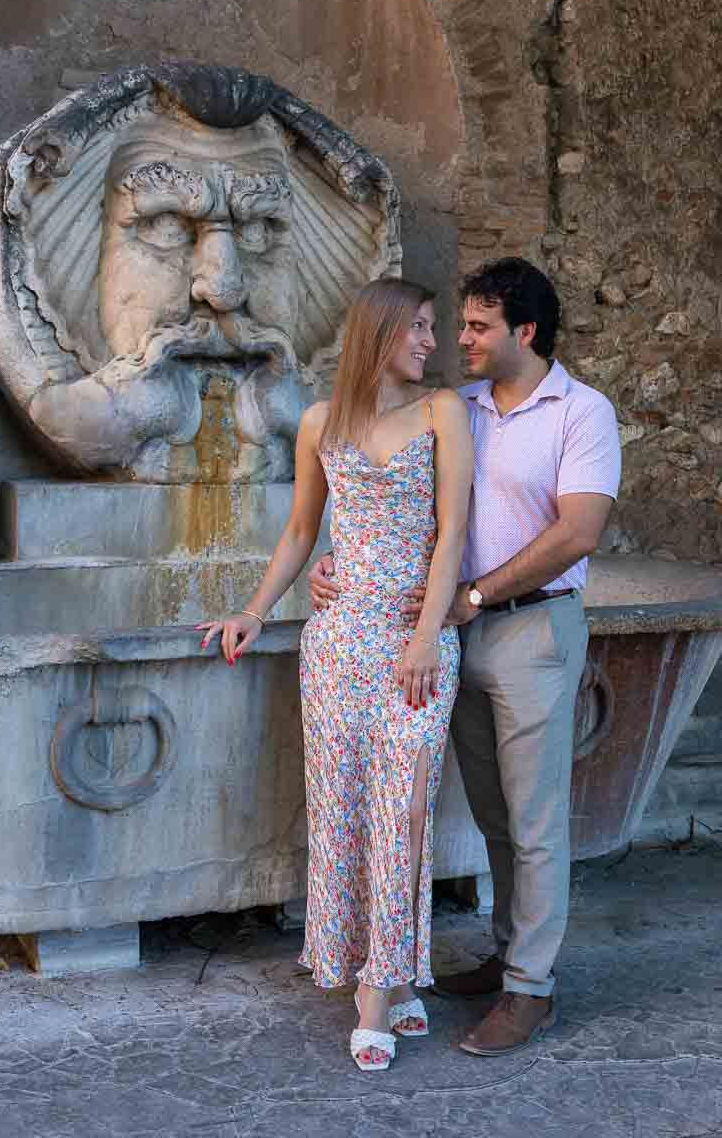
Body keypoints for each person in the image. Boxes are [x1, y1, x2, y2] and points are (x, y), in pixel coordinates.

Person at [309, 257, 622, 1057]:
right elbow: (405, 502)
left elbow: (578, 533)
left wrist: (474, 596)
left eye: (479, 326)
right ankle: (505, 953)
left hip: (528, 631)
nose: (461, 338)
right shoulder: (461, 407)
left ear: (524, 331)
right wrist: (338, 559)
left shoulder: (582, 414)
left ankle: (531, 990)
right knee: (492, 815)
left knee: (536, 820)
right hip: (451, 634)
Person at [198, 278, 473, 1071]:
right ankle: (380, 975)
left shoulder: (442, 414)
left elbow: (453, 529)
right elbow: (299, 530)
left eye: (432, 327)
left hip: (414, 644)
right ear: (380, 332)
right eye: (418, 328)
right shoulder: (319, 422)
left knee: (406, 812)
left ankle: (379, 990)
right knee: (346, 811)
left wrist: (427, 635)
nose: (430, 342)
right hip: (337, 645)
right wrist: (255, 609)